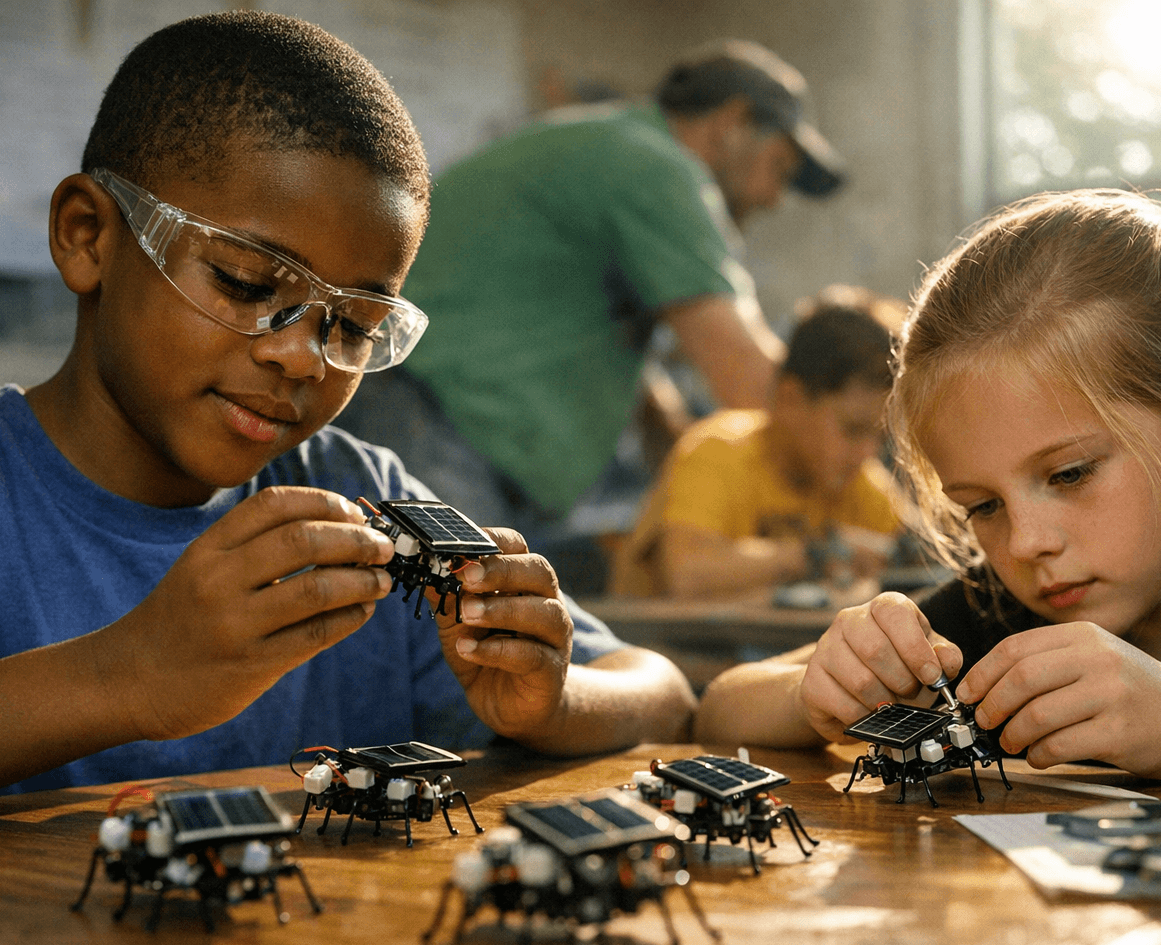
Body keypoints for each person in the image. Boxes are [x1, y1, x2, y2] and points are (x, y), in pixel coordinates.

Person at [0, 12, 695, 833]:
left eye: (354, 326)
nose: (304, 357)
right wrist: (128, 676)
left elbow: (658, 689)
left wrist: (554, 699)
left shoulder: (361, 502)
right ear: (87, 236)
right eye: (248, 283)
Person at [695, 188, 1161, 790]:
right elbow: (722, 704)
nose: (1025, 544)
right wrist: (818, 692)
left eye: (1070, 473)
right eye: (983, 506)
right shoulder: (1000, 619)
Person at [336, 38, 847, 558]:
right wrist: (863, 480)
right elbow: (752, 383)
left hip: (434, 419)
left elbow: (611, 344)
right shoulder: (660, 170)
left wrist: (680, 449)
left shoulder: (611, 144)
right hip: (426, 422)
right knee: (456, 618)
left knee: (480, 613)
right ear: (732, 124)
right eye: (779, 169)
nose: (774, 199)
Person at [611, 284, 902, 599]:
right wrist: (817, 555)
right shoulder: (717, 452)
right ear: (790, 399)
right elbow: (687, 574)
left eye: (881, 436)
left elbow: (922, 562)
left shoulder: (863, 484)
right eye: (853, 429)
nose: (868, 452)